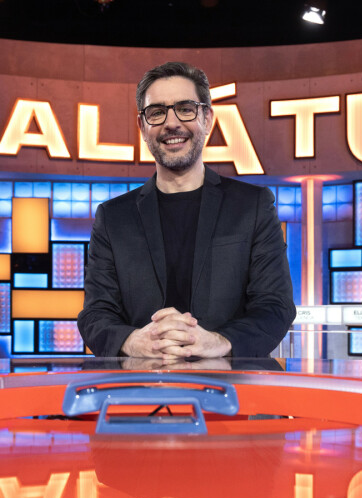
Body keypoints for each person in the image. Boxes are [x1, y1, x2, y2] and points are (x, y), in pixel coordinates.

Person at [77, 61, 295, 359]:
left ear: (207, 117)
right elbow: (95, 314)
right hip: (140, 382)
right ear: (142, 127)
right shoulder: (113, 217)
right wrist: (134, 341)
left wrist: (219, 342)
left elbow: (275, 305)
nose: (171, 123)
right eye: (157, 112)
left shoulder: (253, 206)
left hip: (231, 383)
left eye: (185, 108)